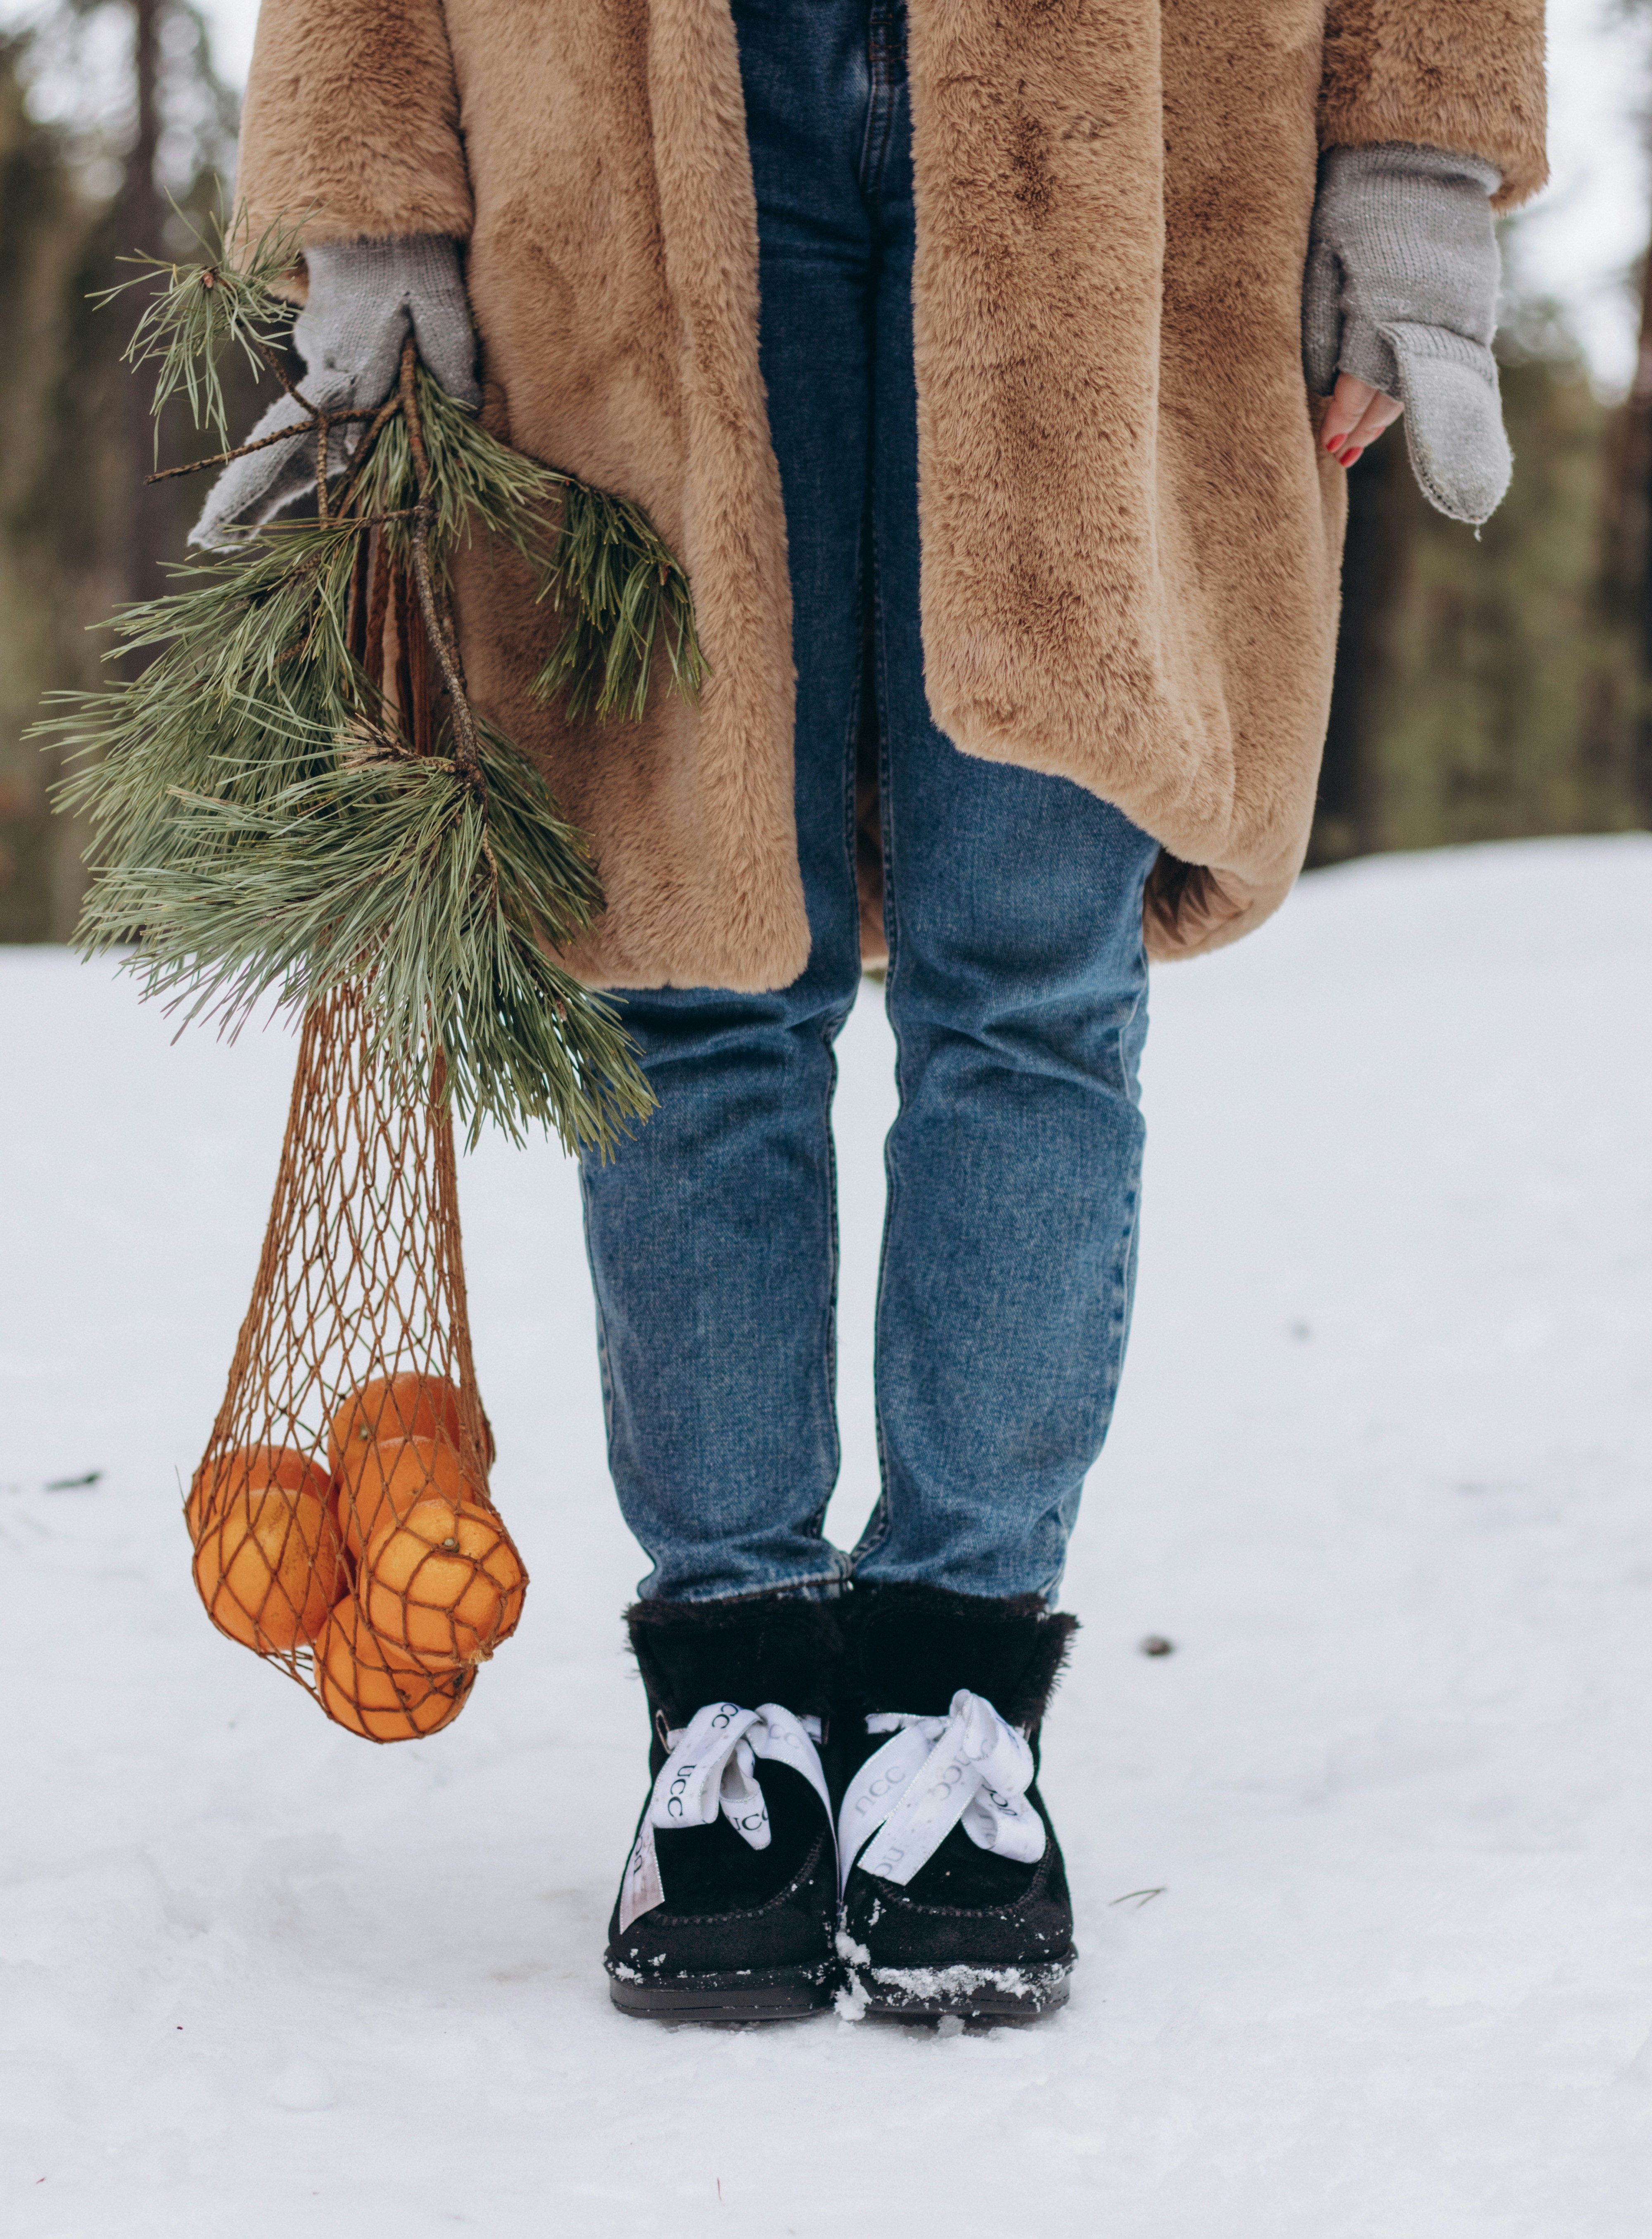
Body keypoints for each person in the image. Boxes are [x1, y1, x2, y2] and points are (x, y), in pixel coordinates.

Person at [199, 0, 1546, 2023]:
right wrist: (372, 216)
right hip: (627, 107)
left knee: (1032, 982)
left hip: (1137, 116)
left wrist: (1421, 166)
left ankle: (953, 1701)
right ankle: (730, 1687)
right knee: (690, 945)